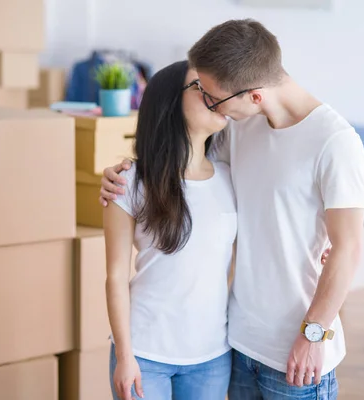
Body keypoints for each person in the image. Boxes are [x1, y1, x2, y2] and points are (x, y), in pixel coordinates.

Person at [101, 19, 364, 400]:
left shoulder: (335, 143)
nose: (211, 105)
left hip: (295, 354)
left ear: (253, 96)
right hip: (239, 345)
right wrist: (118, 174)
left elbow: (349, 249)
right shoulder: (241, 129)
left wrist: (314, 334)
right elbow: (181, 171)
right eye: (201, 93)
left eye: (212, 96)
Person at [104, 60, 235, 400]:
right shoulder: (130, 181)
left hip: (212, 355)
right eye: (199, 86)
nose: (215, 95)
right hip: (145, 355)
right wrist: (125, 355)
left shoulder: (231, 178)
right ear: (168, 102)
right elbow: (116, 277)